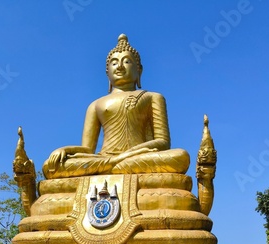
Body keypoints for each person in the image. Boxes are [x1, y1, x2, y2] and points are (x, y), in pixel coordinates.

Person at [42, 34, 189, 179]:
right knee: (50, 166)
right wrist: (64, 150)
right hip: (105, 159)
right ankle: (113, 165)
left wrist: (129, 154)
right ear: (107, 73)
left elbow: (163, 142)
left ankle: (109, 168)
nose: (119, 67)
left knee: (181, 157)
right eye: (114, 63)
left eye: (126, 62)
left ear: (139, 71)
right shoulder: (96, 104)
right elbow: (88, 149)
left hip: (137, 157)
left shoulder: (152, 97)